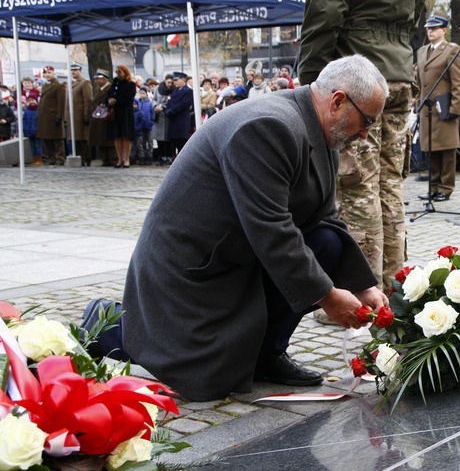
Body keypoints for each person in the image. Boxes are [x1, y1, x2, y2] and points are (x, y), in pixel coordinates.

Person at [83, 55, 389, 402]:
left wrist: (362, 287)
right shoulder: (268, 126)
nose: (365, 133)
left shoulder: (324, 136)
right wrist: (329, 297)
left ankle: (266, 354)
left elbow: (324, 220)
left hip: (239, 254)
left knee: (328, 242)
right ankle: (110, 327)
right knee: (211, 380)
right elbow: (271, 229)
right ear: (337, 101)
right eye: (366, 121)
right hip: (192, 269)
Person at [298, 0, 428, 295]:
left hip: (355, 75)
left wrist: (311, 86)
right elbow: (419, 12)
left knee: (358, 190)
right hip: (398, 74)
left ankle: (361, 293)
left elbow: (324, 12)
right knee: (390, 187)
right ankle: (398, 290)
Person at [414, 14, 460, 202]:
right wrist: (416, 102)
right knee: (431, 149)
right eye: (429, 28)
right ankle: (433, 186)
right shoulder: (421, 52)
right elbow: (419, 81)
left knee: (447, 149)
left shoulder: (451, 50)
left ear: (444, 30)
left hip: (444, 106)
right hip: (427, 108)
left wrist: (455, 108)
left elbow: (459, 83)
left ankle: (446, 187)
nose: (430, 31)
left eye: (435, 28)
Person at [107, 65, 137, 168]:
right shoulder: (115, 83)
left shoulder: (130, 84)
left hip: (125, 113)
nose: (118, 74)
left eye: (120, 72)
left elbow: (129, 98)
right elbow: (109, 94)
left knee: (126, 136)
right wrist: (110, 100)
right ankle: (120, 158)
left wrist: (117, 100)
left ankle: (126, 158)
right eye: (117, 72)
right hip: (116, 113)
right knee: (117, 136)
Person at [37, 66, 67, 165]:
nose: (47, 75)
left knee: (57, 139)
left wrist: (59, 117)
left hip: (53, 116)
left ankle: (60, 158)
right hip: (44, 117)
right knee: (46, 139)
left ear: (54, 73)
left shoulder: (59, 86)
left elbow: (61, 102)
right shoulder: (45, 86)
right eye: (45, 73)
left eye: (49, 72)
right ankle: (51, 157)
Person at [65, 63, 93, 166]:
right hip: (71, 116)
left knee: (83, 139)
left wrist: (87, 115)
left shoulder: (84, 83)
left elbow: (88, 100)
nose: (74, 72)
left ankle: (86, 159)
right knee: (74, 139)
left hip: (80, 115)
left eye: (76, 70)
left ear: (80, 71)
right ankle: (78, 158)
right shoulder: (69, 84)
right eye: (72, 70)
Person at [89, 69, 116, 166]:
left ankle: (112, 158)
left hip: (107, 117)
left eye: (98, 79)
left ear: (105, 79)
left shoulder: (110, 88)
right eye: (96, 79)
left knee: (108, 141)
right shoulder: (98, 90)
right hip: (98, 116)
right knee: (100, 139)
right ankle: (104, 159)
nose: (96, 81)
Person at [163, 71, 194, 155]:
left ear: (183, 79)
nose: (175, 82)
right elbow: (169, 102)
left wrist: (172, 110)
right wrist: (167, 110)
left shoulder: (188, 91)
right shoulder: (174, 91)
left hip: (181, 120)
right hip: (173, 120)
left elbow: (184, 103)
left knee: (182, 142)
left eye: (177, 80)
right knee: (174, 140)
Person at [152, 74, 174, 165]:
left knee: (168, 138)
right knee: (159, 138)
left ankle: (168, 156)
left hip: (168, 115)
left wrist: (164, 107)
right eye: (168, 82)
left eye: (171, 82)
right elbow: (154, 99)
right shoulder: (158, 88)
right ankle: (161, 156)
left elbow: (172, 101)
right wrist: (155, 106)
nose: (170, 84)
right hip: (159, 115)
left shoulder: (173, 89)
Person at [20, 76, 41, 165]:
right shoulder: (27, 110)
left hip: (36, 129)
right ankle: (33, 158)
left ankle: (39, 158)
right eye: (25, 83)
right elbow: (24, 120)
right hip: (28, 129)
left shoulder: (38, 109)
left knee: (38, 144)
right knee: (31, 144)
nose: (27, 84)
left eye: (29, 82)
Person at [135, 86, 154, 165]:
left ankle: (149, 156)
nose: (142, 95)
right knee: (141, 143)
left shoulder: (149, 103)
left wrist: (151, 122)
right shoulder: (138, 103)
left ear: (146, 94)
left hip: (148, 126)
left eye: (143, 93)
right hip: (140, 127)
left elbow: (152, 114)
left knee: (149, 142)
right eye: (141, 93)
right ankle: (142, 157)